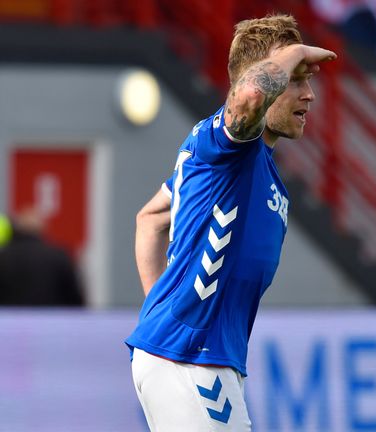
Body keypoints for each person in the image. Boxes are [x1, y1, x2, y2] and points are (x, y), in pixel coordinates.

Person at [125, 14, 336, 431]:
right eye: (296, 79)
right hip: (190, 357)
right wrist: (291, 53)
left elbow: (150, 219)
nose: (309, 95)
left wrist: (159, 313)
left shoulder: (242, 164)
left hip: (190, 354)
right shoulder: (230, 146)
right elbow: (251, 95)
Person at [0, 208, 84, 306]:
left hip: (9, 319)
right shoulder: (58, 256)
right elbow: (74, 298)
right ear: (42, 229)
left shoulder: (3, 257)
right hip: (51, 318)